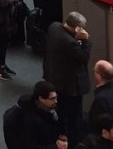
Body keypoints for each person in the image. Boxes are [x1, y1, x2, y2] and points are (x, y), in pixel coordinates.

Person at [44, 11, 92, 149]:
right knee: (74, 116)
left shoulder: (54, 27)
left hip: (55, 78)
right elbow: (83, 59)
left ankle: (60, 134)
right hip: (70, 86)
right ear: (77, 28)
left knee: (61, 111)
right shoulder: (70, 43)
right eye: (82, 28)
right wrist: (86, 41)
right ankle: (73, 141)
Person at [3, 80, 66, 149]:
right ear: (41, 98)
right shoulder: (30, 119)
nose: (56, 101)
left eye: (56, 97)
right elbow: (30, 146)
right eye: (52, 99)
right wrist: (55, 147)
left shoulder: (47, 107)